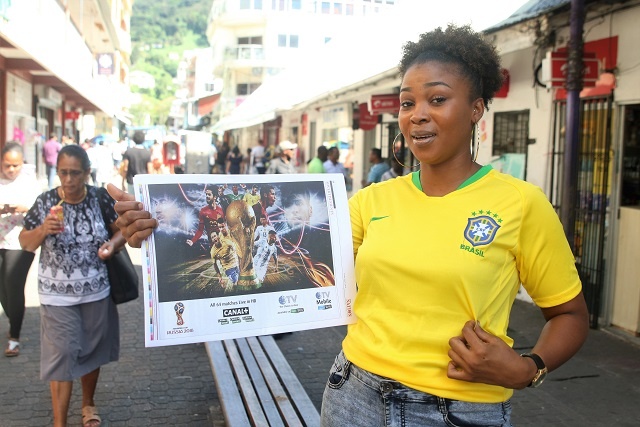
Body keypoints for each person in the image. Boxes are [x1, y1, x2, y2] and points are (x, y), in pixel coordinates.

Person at [105, 24, 589, 427]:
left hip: (458, 410)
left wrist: (528, 369)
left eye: (437, 99)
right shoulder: (370, 201)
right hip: (353, 395)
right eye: (406, 103)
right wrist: (159, 236)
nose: (417, 114)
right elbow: (291, 265)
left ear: (477, 109)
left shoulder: (519, 204)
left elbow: (570, 315)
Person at [20, 144, 124, 427]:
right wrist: (43, 229)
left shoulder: (100, 198)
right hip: (56, 296)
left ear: (87, 173)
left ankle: (88, 403)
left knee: (91, 350)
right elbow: (25, 243)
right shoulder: (45, 202)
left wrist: (110, 246)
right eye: (63, 173)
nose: (68, 179)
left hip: (96, 290)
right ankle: (59, 423)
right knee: (62, 354)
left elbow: (121, 232)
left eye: (75, 173)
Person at [0, 142, 40, 357]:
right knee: (3, 290)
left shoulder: (29, 181)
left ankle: (14, 337)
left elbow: (40, 207)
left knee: (13, 287)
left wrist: (25, 208)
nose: (12, 170)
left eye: (16, 165)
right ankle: (12, 317)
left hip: (21, 241)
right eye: (8, 165)